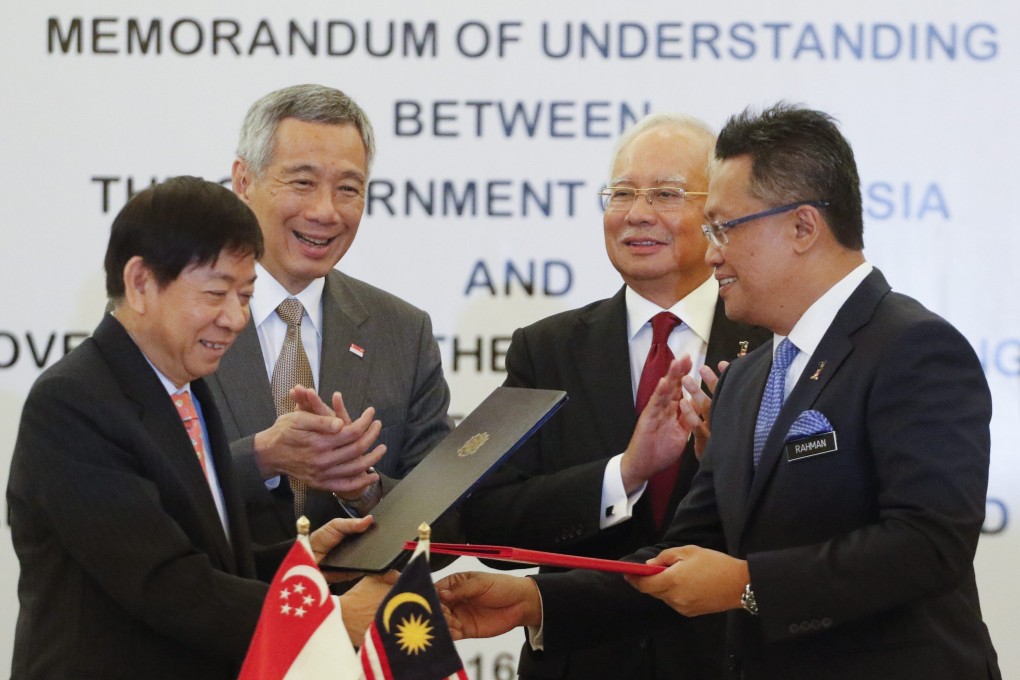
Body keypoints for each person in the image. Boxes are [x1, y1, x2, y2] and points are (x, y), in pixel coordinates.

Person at [439, 104, 1001, 679]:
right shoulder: (751, 376)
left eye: (724, 228)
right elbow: (685, 553)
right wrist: (536, 602)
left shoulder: (913, 347)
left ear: (802, 227)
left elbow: (928, 543)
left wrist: (747, 584)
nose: (712, 253)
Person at [7, 177, 394, 679]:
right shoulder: (73, 402)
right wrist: (329, 617)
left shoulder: (187, 388)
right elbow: (162, 582)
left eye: (245, 295)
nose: (234, 318)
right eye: (215, 294)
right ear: (140, 283)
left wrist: (304, 563)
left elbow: (208, 557)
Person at [461, 113, 768, 679]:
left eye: (667, 194)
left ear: (718, 215)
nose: (637, 213)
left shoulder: (773, 341)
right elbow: (485, 520)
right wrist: (622, 475)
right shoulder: (547, 350)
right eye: (622, 193)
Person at [205, 84, 453, 546]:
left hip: (357, 595)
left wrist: (365, 490)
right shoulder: (179, 317)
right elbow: (136, 490)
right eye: (302, 183)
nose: (326, 211)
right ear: (243, 181)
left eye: (348, 189)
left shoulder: (403, 333)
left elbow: (443, 528)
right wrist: (260, 458)